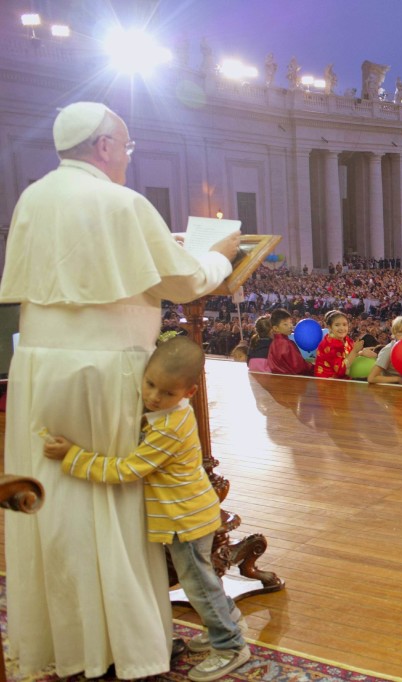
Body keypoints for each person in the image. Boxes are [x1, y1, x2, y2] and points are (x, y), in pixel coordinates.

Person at [0, 101, 239, 679]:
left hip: (37, 367)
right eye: (126, 148)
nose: (127, 159)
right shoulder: (122, 202)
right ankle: (127, 644)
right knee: (111, 501)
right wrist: (218, 254)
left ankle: (71, 641)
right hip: (105, 370)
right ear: (104, 145)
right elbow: (183, 277)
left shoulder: (33, 197)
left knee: (56, 506)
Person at [40, 338, 251, 681]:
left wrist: (73, 456)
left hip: (185, 519)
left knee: (197, 584)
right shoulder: (166, 414)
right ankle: (227, 620)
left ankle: (230, 644)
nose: (153, 396)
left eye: (167, 393)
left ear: (189, 392)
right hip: (188, 512)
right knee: (202, 580)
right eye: (150, 384)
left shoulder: (168, 427)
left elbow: (127, 470)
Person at [368, 315, 402, 386]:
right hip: (388, 389)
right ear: (394, 333)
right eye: (400, 332)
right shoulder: (388, 350)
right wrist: (398, 379)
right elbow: (371, 378)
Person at [314, 310, 363, 379]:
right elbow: (341, 370)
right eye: (337, 325)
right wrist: (355, 351)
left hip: (343, 380)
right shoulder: (329, 345)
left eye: (344, 324)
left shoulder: (346, 339)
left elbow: (350, 354)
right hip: (329, 383)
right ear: (330, 327)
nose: (342, 328)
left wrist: (362, 353)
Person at [267, 308, 314, 375]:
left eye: (291, 323)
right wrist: (314, 367)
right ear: (275, 328)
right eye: (285, 324)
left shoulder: (273, 344)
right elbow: (300, 367)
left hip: (276, 380)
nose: (290, 326)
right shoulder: (287, 344)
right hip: (291, 381)